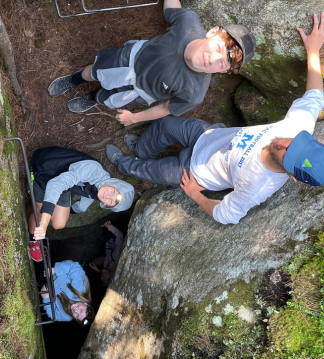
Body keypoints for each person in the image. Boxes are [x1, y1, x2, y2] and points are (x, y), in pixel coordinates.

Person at [105, 13, 324, 225]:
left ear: (291, 175)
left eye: (287, 153)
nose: (282, 142)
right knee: (164, 125)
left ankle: (126, 165)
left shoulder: (259, 185)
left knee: (152, 170)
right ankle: (142, 148)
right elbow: (316, 96)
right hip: (209, 135)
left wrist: (194, 193)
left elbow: (226, 215)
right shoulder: (297, 128)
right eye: (294, 142)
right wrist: (313, 50)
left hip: (196, 170)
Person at [48, 0, 256, 126]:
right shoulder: (188, 24)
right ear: (212, 32)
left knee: (108, 97)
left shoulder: (194, 93)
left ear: (224, 71)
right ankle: (76, 79)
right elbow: (172, 12)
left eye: (222, 65)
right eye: (219, 49)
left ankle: (93, 97)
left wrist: (134, 118)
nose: (213, 59)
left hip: (140, 92)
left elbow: (165, 108)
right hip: (130, 59)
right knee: (94, 71)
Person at [28, 146, 134, 261]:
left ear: (107, 206)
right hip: (45, 168)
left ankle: (44, 200)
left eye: (111, 201)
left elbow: (87, 197)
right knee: (41, 214)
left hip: (63, 182)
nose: (108, 196)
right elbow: (56, 184)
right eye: (114, 191)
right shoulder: (94, 170)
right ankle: (33, 239)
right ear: (115, 184)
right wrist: (44, 222)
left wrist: (78, 209)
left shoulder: (101, 190)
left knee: (59, 224)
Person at [40, 260, 94, 325]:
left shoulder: (66, 316)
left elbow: (53, 315)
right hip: (53, 269)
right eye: (81, 310)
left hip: (45, 287)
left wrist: (46, 299)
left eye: (77, 316)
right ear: (86, 304)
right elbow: (74, 267)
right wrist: (55, 270)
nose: (76, 311)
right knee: (40, 261)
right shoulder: (82, 287)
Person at [89, 221, 124, 285]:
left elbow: (91, 263)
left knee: (93, 263)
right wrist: (109, 227)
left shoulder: (106, 266)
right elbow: (120, 237)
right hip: (112, 238)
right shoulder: (116, 257)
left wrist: (100, 271)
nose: (104, 277)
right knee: (99, 235)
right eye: (108, 279)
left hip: (107, 249)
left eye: (103, 280)